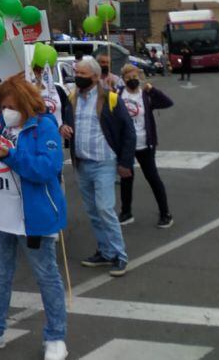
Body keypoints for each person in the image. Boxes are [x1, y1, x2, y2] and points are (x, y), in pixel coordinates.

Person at [0, 74, 68, 360]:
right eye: (1, 104)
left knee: (47, 277)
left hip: (32, 220)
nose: (5, 110)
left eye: (11, 105)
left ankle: (56, 337)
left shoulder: (44, 127)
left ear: (24, 104)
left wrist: (10, 156)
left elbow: (46, 169)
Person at [62, 56, 134, 276]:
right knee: (93, 211)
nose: (77, 78)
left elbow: (128, 132)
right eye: (76, 74)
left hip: (104, 162)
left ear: (94, 76)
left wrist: (125, 162)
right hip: (82, 164)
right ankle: (105, 252)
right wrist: (63, 129)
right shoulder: (72, 98)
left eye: (82, 75)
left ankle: (120, 256)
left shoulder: (110, 99)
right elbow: (67, 124)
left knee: (105, 209)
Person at [118, 66, 174, 228]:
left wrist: (153, 90)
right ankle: (126, 212)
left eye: (135, 76)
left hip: (145, 143)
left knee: (153, 178)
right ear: (123, 79)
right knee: (126, 179)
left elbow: (168, 103)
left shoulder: (146, 95)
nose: (132, 79)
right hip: (127, 145)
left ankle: (165, 214)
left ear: (140, 77)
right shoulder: (119, 94)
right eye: (128, 77)